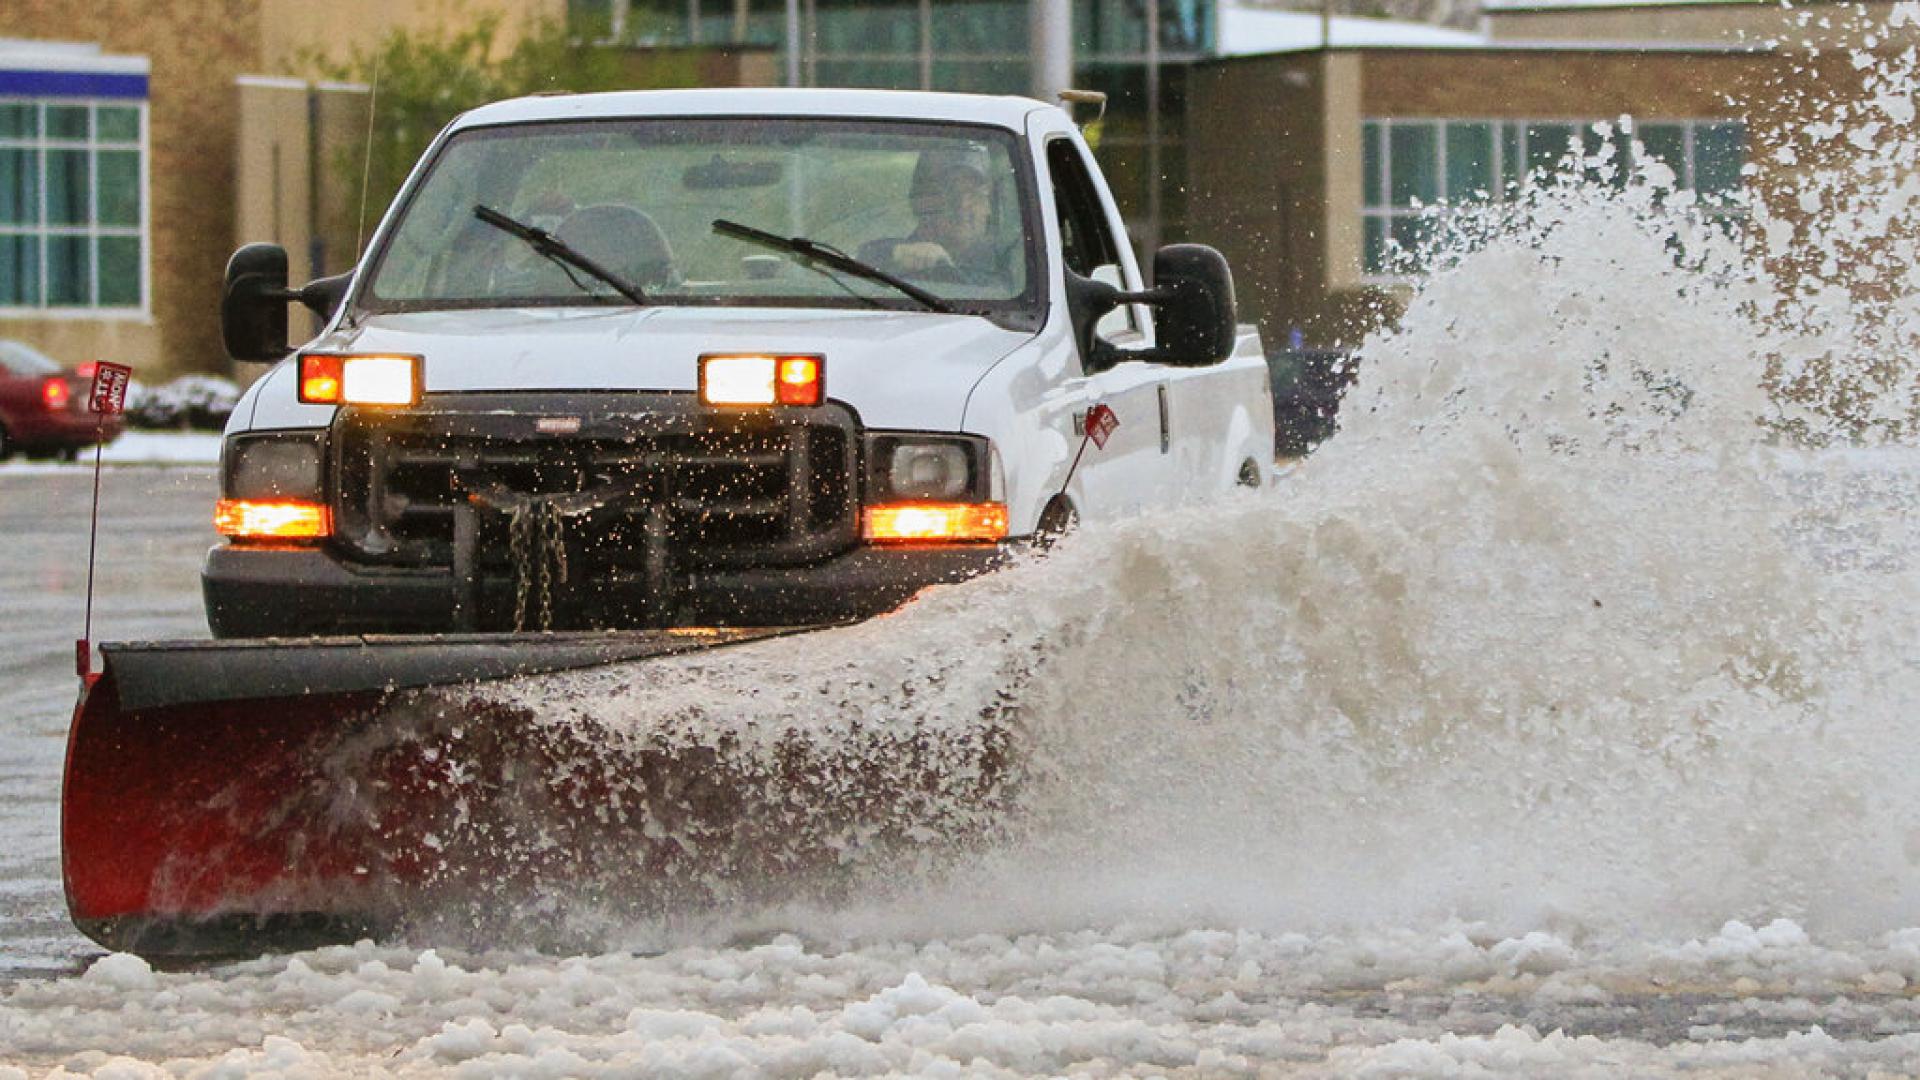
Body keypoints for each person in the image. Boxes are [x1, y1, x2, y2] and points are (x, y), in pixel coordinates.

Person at [861, 156, 1001, 279]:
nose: (963, 204)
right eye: (950, 191)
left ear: (990, 208)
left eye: (975, 194)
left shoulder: (1007, 264)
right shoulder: (895, 256)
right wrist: (895, 256)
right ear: (921, 204)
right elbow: (862, 262)